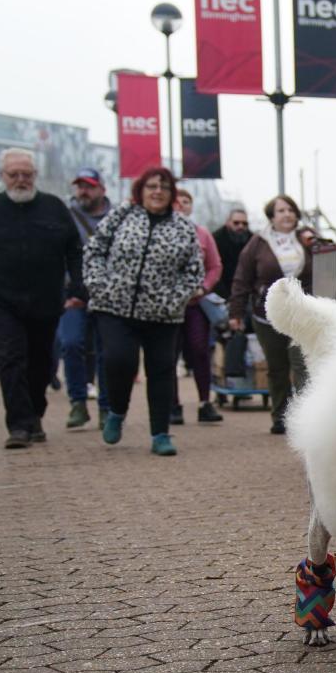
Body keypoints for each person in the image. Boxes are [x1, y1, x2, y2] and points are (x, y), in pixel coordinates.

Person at [0, 149, 84, 448]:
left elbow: (74, 249)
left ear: (35, 176)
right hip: (0, 300)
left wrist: (78, 286)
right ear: (2, 177)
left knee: (41, 362)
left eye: (26, 175)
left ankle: (34, 415)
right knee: (9, 358)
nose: (21, 180)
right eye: (14, 175)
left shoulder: (54, 208)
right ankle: (18, 425)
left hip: (45, 300)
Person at [84, 167, 204, 456]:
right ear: (141, 190)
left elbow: (194, 271)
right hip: (114, 307)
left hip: (163, 313)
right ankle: (116, 411)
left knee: (162, 370)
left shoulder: (183, 227)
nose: (157, 191)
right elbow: (94, 250)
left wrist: (174, 299)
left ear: (171, 193)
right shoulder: (121, 216)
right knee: (119, 360)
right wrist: (100, 285)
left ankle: (160, 434)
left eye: (163, 187)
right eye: (151, 186)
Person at [229, 194, 312, 435]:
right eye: (281, 211)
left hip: (302, 313)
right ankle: (280, 416)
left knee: (302, 365)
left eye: (290, 210)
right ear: (271, 217)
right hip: (267, 315)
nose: (287, 215)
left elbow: (326, 262)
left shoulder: (306, 238)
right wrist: (236, 311)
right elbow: (242, 278)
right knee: (276, 367)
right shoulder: (258, 243)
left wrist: (315, 242)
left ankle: (307, 417)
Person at [58, 167, 113, 430]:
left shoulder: (118, 218)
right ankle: (78, 402)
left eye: (89, 186)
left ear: (102, 189)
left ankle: (105, 407)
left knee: (107, 351)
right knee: (70, 343)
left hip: (108, 296)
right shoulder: (64, 218)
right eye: (79, 185)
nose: (84, 191)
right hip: (73, 298)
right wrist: (69, 293)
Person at [170, 188, 223, 425]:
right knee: (167, 355)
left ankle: (204, 402)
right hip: (167, 306)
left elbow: (215, 266)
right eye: (177, 201)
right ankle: (172, 405)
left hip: (194, 304)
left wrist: (204, 287)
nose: (181, 205)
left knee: (200, 350)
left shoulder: (202, 234)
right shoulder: (161, 233)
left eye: (186, 201)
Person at [212, 207, 250, 302]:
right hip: (221, 292)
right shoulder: (216, 239)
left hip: (247, 293)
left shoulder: (253, 240)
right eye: (236, 223)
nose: (240, 226)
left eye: (244, 223)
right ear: (228, 222)